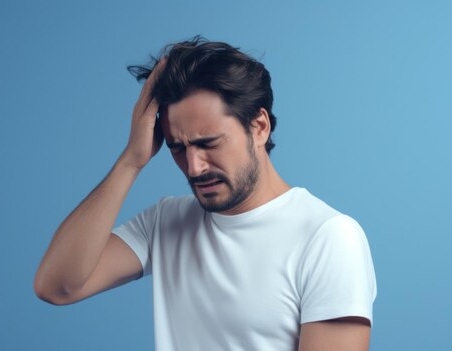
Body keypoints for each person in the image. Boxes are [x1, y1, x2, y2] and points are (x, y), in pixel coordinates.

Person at [34, 36, 377, 351]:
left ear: (258, 127)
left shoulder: (328, 237)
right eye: (177, 147)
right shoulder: (165, 222)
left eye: (208, 143)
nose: (194, 166)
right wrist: (131, 161)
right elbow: (56, 285)